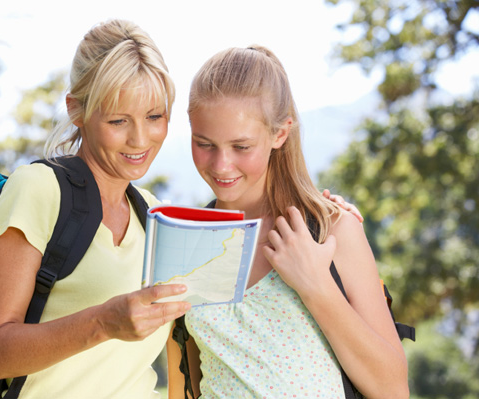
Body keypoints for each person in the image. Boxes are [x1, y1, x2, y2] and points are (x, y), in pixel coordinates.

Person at [167, 46, 409, 398]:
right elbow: (189, 383)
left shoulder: (333, 231)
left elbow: (393, 390)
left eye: (241, 146)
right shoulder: (189, 240)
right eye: (204, 143)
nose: (221, 165)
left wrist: (316, 285)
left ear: (280, 134)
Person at [0, 19, 191, 399]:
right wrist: (103, 322)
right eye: (118, 120)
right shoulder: (38, 190)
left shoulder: (156, 216)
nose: (140, 139)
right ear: (77, 110)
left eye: (155, 116)